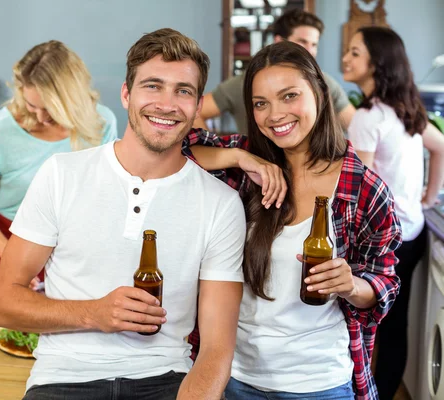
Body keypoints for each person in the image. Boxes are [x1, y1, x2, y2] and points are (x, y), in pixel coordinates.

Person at [0, 28, 285, 399]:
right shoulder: (62, 174)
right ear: (126, 94)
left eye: (183, 91)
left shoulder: (221, 205)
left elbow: (216, 349)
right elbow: (1, 305)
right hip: (64, 379)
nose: (167, 103)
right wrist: (93, 313)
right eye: (153, 86)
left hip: (166, 380)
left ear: (197, 106)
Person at [182, 41, 402, 399]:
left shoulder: (364, 190)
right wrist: (240, 157)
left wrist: (350, 285)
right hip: (236, 378)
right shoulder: (246, 170)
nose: (274, 115)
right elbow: (177, 146)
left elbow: (384, 285)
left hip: (320, 384)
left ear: (318, 91)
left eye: (289, 96)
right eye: (260, 103)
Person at [0, 40, 118, 295]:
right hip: (6, 241)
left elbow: (104, 196)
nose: (39, 117)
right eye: (31, 105)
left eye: (49, 109)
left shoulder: (102, 123)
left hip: (71, 246)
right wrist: (14, 259)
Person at [342, 26, 444, 399]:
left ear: (377, 62)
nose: (346, 59)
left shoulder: (368, 117)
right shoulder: (407, 110)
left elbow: (357, 191)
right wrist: (428, 199)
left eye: (355, 52)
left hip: (386, 241)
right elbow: (442, 146)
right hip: (413, 232)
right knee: (394, 325)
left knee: (366, 325)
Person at [193, 8, 356, 133]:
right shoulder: (241, 84)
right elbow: (195, 113)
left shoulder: (325, 82)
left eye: (314, 44)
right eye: (302, 42)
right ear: (279, 41)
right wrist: (219, 153)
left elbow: (357, 128)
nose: (310, 51)